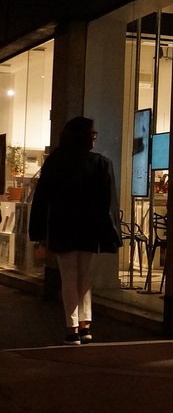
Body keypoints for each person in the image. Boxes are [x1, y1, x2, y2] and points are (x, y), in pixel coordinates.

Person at [29, 117, 121, 345]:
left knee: (68, 277)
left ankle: (72, 328)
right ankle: (86, 324)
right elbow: (108, 203)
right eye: (92, 133)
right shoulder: (101, 163)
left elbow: (42, 199)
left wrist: (38, 232)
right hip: (89, 227)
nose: (94, 137)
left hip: (63, 226)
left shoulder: (56, 162)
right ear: (83, 136)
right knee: (84, 276)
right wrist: (110, 231)